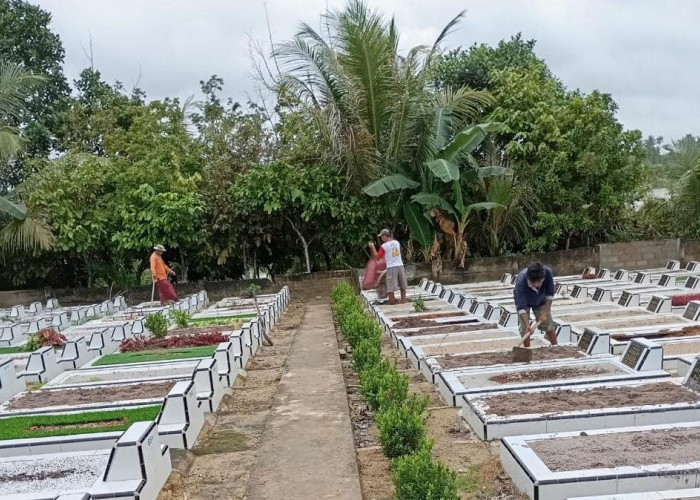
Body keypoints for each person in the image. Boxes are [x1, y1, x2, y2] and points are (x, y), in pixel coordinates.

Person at [513, 262, 558, 347]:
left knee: (548, 324)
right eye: (533, 283)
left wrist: (544, 313)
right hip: (525, 301)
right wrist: (527, 325)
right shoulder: (521, 282)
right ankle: (527, 350)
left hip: (541, 300)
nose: (536, 285)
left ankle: (555, 346)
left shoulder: (547, 273)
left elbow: (550, 294)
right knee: (524, 329)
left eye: (539, 282)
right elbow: (521, 307)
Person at [369, 229, 407, 304]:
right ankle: (403, 302)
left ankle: (392, 304)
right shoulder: (397, 243)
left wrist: (372, 247)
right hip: (400, 266)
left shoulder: (384, 246)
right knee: (403, 287)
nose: (381, 238)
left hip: (391, 268)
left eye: (382, 236)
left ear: (385, 236)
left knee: (390, 289)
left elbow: (377, 257)